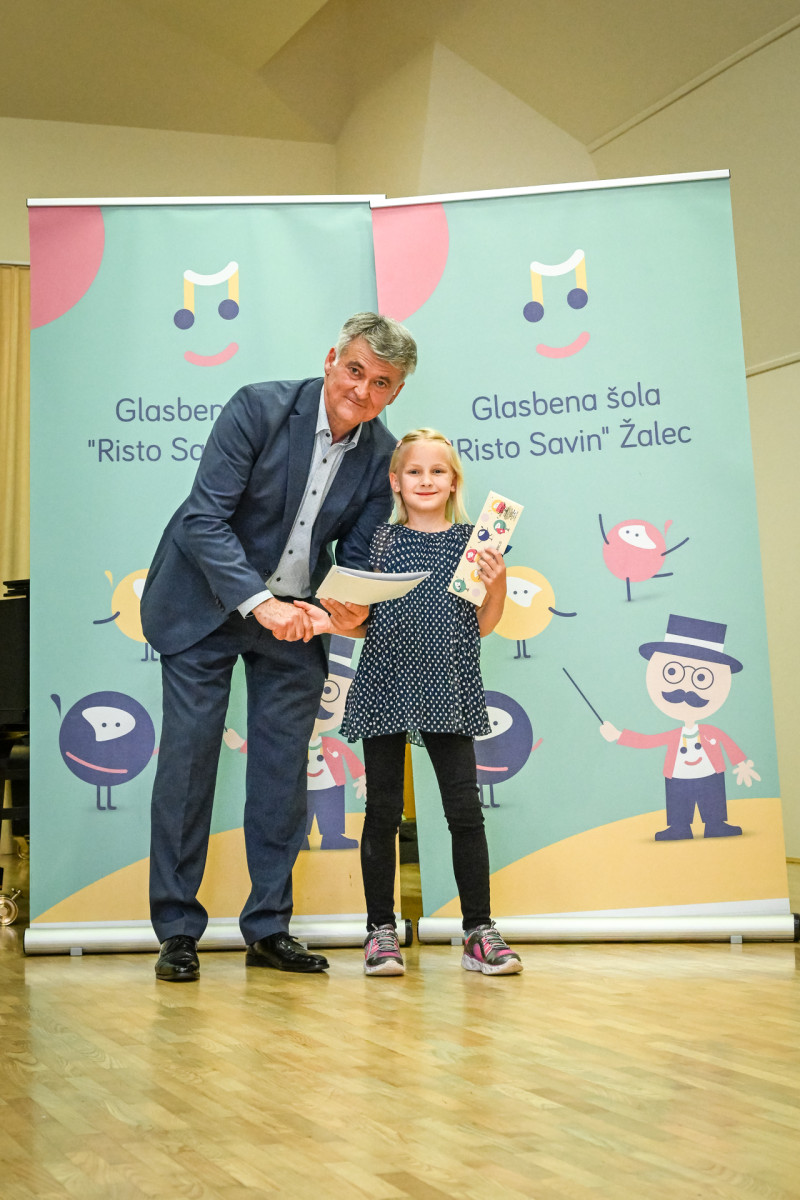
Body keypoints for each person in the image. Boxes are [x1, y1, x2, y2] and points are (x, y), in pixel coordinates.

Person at [140, 313, 417, 981]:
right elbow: (204, 518)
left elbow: (354, 557)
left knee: (282, 772)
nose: (363, 390)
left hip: (294, 619)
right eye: (356, 370)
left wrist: (334, 609)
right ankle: (177, 931)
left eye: (382, 382)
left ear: (396, 391)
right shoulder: (258, 409)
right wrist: (259, 602)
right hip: (204, 603)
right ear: (331, 361)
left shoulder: (381, 455)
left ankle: (268, 928)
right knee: (188, 764)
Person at [298, 429, 524, 977]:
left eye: (437, 471)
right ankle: (380, 930)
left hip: (450, 685)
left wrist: (497, 584)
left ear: (454, 482)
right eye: (415, 471)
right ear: (395, 482)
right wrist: (334, 616)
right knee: (382, 811)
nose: (426, 480)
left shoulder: (476, 545)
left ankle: (478, 931)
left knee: (464, 811)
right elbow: (360, 620)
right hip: (385, 683)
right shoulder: (376, 542)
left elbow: (483, 625)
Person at [600, 614, 759, 840]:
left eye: (701, 677)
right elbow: (648, 741)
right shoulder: (674, 735)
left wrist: (741, 764)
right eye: (672, 672)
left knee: (712, 799)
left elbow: (729, 745)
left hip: (710, 774)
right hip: (678, 775)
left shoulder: (712, 732)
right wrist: (618, 735)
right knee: (678, 803)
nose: (687, 690)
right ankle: (679, 827)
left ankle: (716, 824)